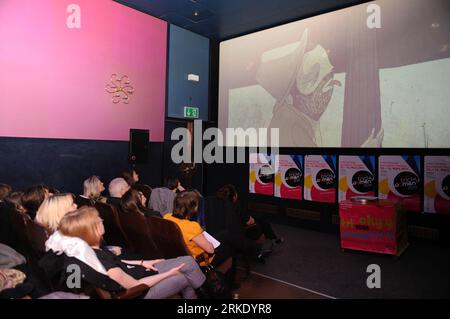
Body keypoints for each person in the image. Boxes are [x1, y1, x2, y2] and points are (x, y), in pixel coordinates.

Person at [256, 29, 383, 148]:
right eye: (313, 77)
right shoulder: (289, 124)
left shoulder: (288, 119)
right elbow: (320, 168)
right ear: (292, 94)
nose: (327, 91)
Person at [55, 206, 206, 299]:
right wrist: (169, 273)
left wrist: (142, 262)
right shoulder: (105, 265)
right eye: (98, 220)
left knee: (188, 261)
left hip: (139, 271)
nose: (101, 219)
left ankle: (204, 293)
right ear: (91, 230)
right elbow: (136, 286)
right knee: (184, 277)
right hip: (141, 290)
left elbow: (117, 261)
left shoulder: (87, 250)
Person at [164, 191, 233, 268]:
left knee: (225, 235)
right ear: (193, 208)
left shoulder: (167, 217)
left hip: (176, 256)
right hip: (197, 260)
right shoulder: (192, 226)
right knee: (229, 252)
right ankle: (214, 277)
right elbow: (210, 250)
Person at [216, 184, 283, 245]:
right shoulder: (236, 208)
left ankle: (272, 238)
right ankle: (272, 239)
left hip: (230, 231)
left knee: (260, 218)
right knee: (262, 220)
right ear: (234, 197)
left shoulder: (219, 207)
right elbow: (250, 221)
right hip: (243, 231)